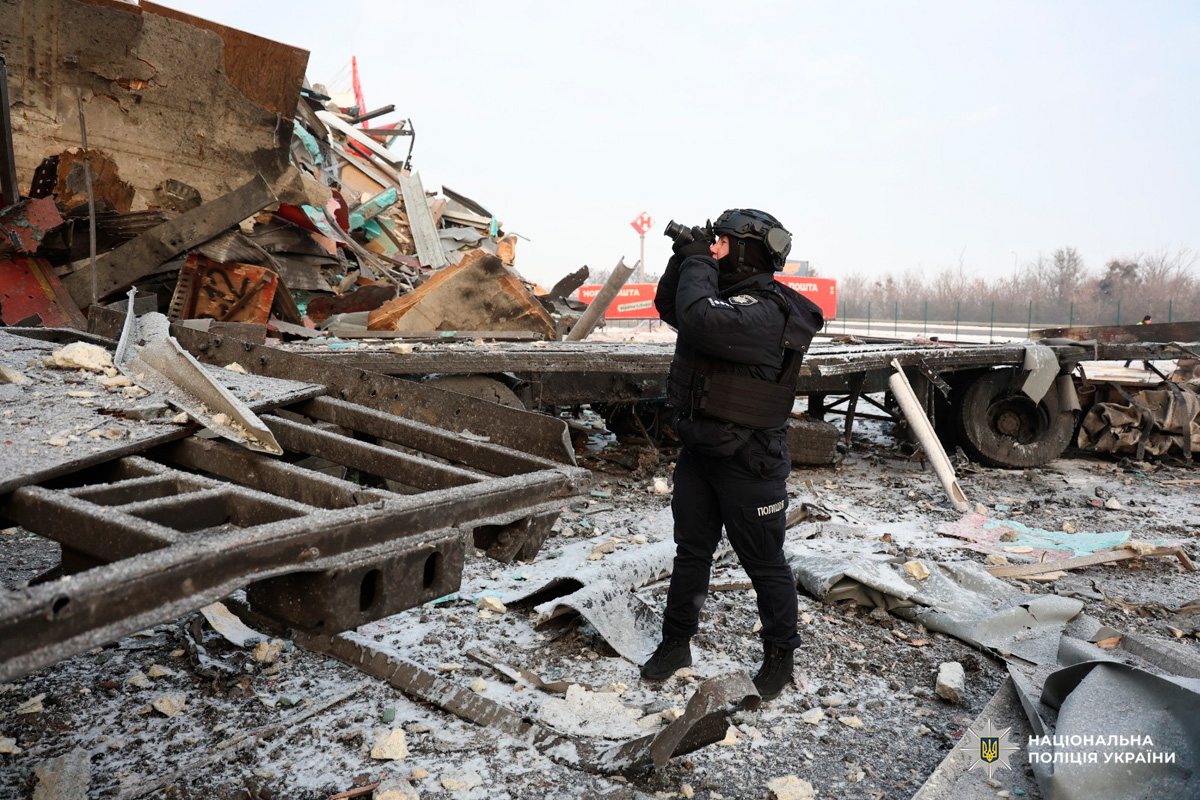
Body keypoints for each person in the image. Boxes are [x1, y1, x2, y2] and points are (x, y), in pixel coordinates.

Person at [642, 209, 824, 701]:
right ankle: (676, 643)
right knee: (692, 552)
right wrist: (686, 257)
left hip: (751, 459)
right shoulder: (721, 296)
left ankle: (780, 654)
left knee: (764, 562)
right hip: (701, 449)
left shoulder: (765, 312)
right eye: (714, 240)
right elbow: (670, 305)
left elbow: (699, 321)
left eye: (723, 240)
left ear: (747, 249)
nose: (716, 246)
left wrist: (701, 261)